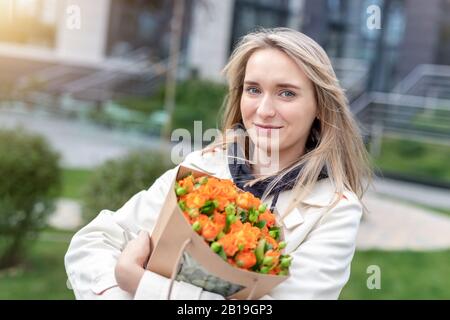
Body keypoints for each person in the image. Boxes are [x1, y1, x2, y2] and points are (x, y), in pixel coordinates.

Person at [65, 27, 372, 300]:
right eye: (253, 89)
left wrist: (140, 283)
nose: (264, 110)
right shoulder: (202, 166)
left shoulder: (336, 209)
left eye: (286, 93)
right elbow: (93, 241)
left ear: (320, 106)